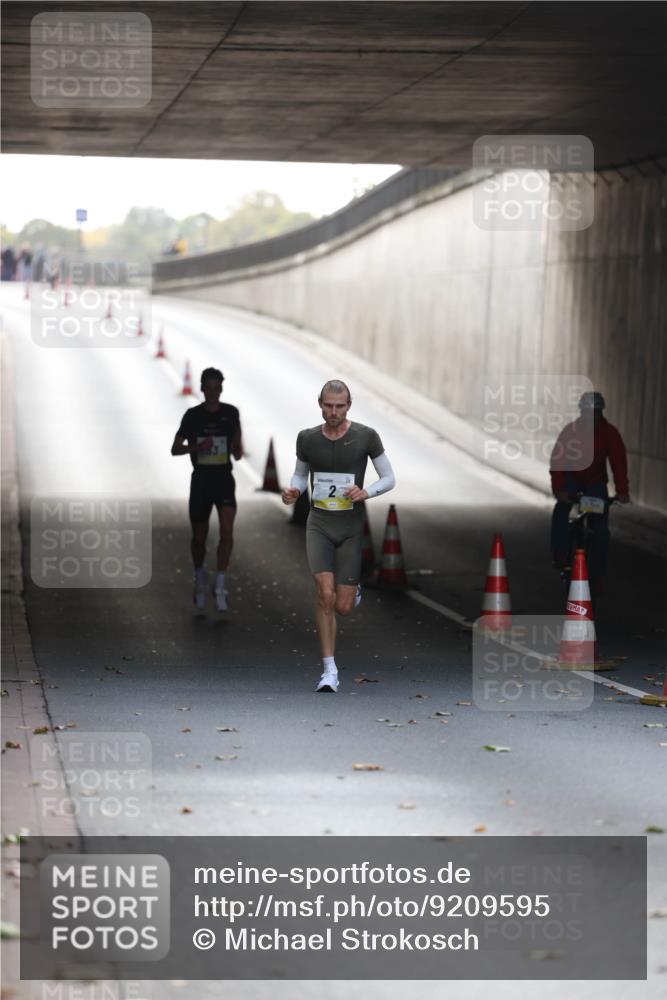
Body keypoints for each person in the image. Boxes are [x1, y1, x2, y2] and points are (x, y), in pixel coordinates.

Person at [282, 379, 395, 692]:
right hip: (318, 523)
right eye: (328, 406)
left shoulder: (366, 437)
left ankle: (353, 591)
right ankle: (329, 670)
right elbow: (300, 475)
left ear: (349, 405)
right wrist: (294, 490)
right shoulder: (307, 439)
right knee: (324, 593)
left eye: (339, 406)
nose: (333, 412)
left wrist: (366, 491)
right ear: (320, 404)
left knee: (343, 606)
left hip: (349, 527)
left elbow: (389, 478)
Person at [171, 367, 243, 611]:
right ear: (202, 388)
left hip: (224, 479)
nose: (213, 392)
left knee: (226, 530)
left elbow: (238, 446)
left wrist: (237, 451)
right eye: (208, 387)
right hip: (201, 480)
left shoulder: (231, 413)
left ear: (221, 388)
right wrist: (198, 448)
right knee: (199, 537)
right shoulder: (192, 416)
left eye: (217, 388)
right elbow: (175, 448)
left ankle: (220, 581)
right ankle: (200, 576)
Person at [549, 391, 630, 583]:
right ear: (581, 411)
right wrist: (559, 489)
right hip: (571, 477)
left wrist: (622, 491)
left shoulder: (610, 433)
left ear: (601, 413)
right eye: (586, 411)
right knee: (561, 510)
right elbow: (558, 460)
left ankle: (598, 571)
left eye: (594, 412)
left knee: (601, 528)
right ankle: (560, 554)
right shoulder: (571, 431)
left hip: (595, 482)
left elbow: (618, 461)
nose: (590, 416)